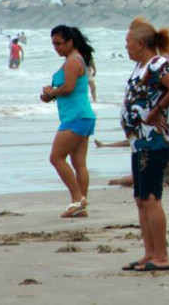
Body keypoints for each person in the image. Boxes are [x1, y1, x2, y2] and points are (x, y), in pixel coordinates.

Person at [120, 17, 169, 272]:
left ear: (139, 43)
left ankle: (162, 256)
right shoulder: (140, 65)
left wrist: (157, 109)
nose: (125, 46)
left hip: (154, 142)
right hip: (140, 143)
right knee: (140, 198)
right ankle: (149, 253)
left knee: (151, 198)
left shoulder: (157, 64)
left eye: (127, 42)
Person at [41, 25, 96, 218]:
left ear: (70, 42)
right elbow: (68, 89)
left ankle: (77, 198)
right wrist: (51, 96)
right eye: (54, 44)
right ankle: (80, 206)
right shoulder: (75, 59)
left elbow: (69, 88)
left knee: (56, 158)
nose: (56, 47)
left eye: (59, 43)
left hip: (75, 117)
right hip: (84, 115)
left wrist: (51, 91)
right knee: (79, 164)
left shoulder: (73, 60)